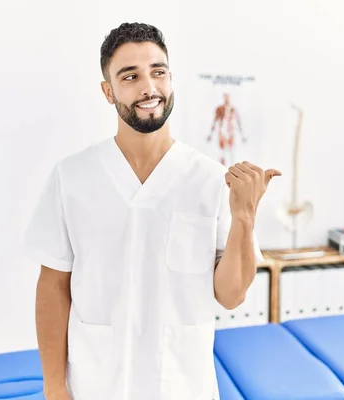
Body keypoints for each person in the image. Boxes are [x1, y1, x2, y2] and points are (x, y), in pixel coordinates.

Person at [23, 22, 281, 400]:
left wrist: (244, 216)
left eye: (158, 72)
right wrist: (53, 386)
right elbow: (53, 287)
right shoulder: (72, 177)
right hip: (96, 384)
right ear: (108, 91)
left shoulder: (210, 179)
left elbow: (230, 296)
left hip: (181, 384)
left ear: (171, 80)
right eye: (131, 76)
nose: (149, 87)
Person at [206, 92, 246, 166]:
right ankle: (222, 169)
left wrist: (242, 135)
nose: (226, 99)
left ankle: (232, 170)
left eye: (227, 97)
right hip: (222, 132)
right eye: (225, 97)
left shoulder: (233, 109)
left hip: (230, 132)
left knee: (231, 152)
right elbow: (214, 121)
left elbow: (238, 122)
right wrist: (210, 135)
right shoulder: (219, 109)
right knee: (222, 152)